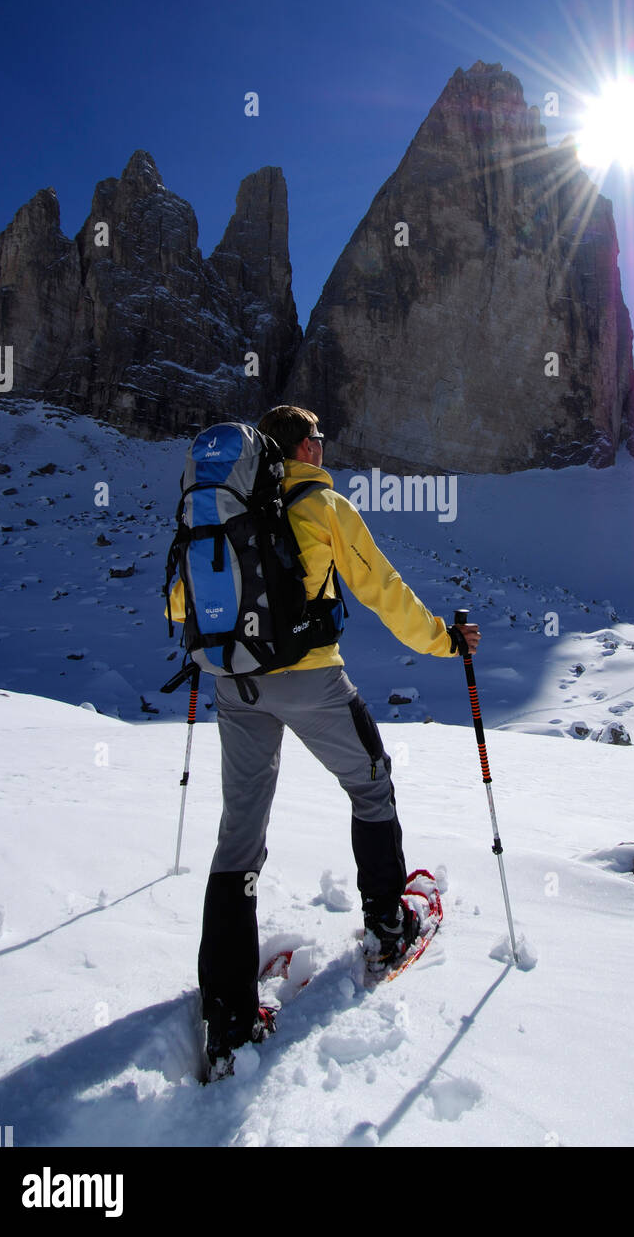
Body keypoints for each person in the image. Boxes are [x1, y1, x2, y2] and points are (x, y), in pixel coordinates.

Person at [197, 404, 481, 1066]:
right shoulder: (322, 504)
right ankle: (386, 928)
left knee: (238, 837)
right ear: (305, 447)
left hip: (231, 682)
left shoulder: (221, 506)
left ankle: (227, 1017)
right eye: (319, 438)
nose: (324, 447)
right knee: (371, 784)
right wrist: (445, 642)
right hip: (309, 680)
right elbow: (383, 590)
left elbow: (183, 601)